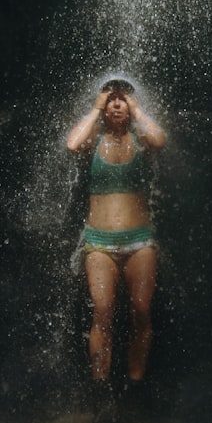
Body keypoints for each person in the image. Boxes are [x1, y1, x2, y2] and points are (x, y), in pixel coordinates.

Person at [66, 78, 167, 400]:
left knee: (141, 309)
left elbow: (160, 139)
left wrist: (137, 109)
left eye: (123, 99)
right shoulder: (93, 141)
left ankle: (135, 386)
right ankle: (100, 391)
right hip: (99, 242)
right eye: (112, 99)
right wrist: (95, 109)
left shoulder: (141, 141)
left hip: (140, 241)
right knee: (103, 310)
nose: (117, 104)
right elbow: (72, 144)